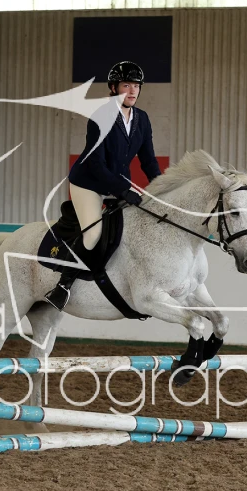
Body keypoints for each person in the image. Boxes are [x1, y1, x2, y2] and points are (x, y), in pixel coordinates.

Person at [44, 60, 163, 310]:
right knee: (93, 233)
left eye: (136, 86)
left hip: (118, 181)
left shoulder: (142, 119)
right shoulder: (100, 115)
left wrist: (162, 187)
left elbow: (148, 160)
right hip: (88, 182)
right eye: (126, 85)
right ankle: (63, 286)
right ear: (113, 87)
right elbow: (96, 163)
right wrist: (123, 190)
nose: (132, 91)